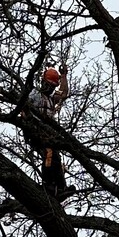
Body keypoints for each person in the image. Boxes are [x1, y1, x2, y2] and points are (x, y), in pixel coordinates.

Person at [26, 59, 69, 199]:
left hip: (47, 132)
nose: (50, 89)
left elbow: (63, 93)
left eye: (52, 87)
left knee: (56, 156)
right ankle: (48, 184)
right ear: (43, 82)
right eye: (48, 85)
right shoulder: (34, 94)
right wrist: (29, 123)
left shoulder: (50, 99)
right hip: (35, 130)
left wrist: (63, 76)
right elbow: (24, 107)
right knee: (49, 153)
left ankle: (61, 186)